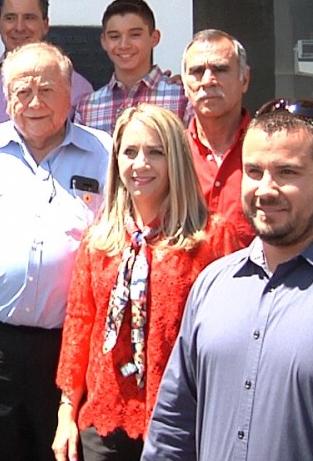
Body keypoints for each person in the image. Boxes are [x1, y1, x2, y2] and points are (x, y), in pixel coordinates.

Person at [0, 42, 111, 461]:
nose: (33, 102)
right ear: (7, 96)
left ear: (70, 94)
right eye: (21, 91)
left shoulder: (106, 153)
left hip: (73, 348)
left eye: (46, 90)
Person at [51, 104, 239, 461]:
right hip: (106, 419)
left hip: (184, 420)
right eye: (130, 152)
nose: (141, 164)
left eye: (156, 152)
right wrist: (66, 413)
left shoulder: (212, 238)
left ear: (177, 160)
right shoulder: (100, 239)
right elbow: (79, 324)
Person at [143, 99, 313, 461]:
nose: (266, 189)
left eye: (287, 172)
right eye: (253, 171)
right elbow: (174, 425)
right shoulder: (213, 285)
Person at [0, 0, 93, 127]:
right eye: (10, 18)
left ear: (45, 24)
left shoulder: (78, 86)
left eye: (29, 18)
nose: (19, 27)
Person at [74, 0, 189, 135]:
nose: (124, 45)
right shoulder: (88, 107)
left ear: (154, 38)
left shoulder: (182, 96)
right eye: (114, 37)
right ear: (104, 41)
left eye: (135, 35)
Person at [182, 29, 255, 247]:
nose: (208, 80)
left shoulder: (269, 152)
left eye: (220, 69)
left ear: (245, 79)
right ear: (185, 85)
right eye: (197, 71)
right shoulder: (169, 154)